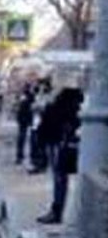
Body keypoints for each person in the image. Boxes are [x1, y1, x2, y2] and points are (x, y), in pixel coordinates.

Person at [36, 80, 84, 225]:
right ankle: (57, 211)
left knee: (59, 179)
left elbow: (44, 127)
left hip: (55, 146)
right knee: (60, 180)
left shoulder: (55, 108)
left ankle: (56, 212)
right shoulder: (73, 112)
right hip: (60, 145)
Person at [28, 78, 54, 173]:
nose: (40, 88)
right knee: (34, 144)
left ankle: (41, 165)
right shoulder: (38, 95)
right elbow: (33, 106)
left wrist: (38, 107)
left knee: (41, 146)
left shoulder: (48, 96)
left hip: (43, 125)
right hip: (35, 123)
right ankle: (35, 163)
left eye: (42, 86)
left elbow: (44, 108)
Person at [15, 81, 35, 166]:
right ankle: (22, 156)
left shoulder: (24, 96)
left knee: (22, 138)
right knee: (25, 138)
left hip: (24, 119)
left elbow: (19, 107)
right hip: (27, 119)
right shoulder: (30, 95)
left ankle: (20, 156)